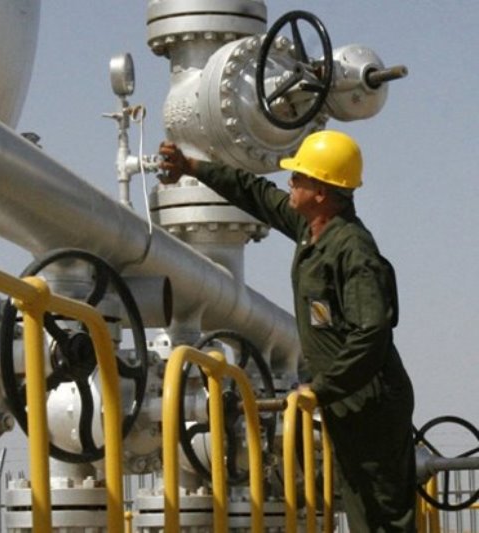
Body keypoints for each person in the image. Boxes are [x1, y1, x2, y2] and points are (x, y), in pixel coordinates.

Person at [159, 130, 416, 532]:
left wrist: (321, 389)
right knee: (362, 509)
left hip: (371, 403)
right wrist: (192, 167)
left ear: (322, 191)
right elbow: (256, 193)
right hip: (347, 399)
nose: (290, 182)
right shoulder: (311, 228)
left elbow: (372, 334)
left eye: (299, 177)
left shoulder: (353, 250)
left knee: (383, 517)